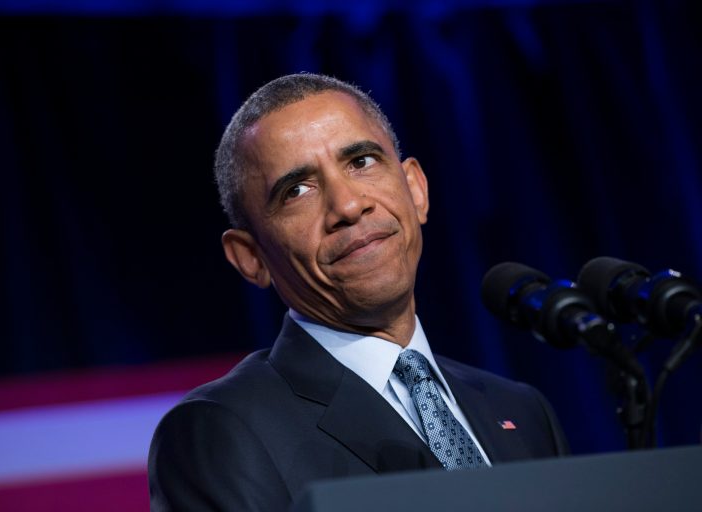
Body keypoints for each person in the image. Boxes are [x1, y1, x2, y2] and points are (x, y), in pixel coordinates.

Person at [148, 73, 569, 511]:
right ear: (250, 257)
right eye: (297, 190)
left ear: (416, 189)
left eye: (362, 161)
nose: (348, 206)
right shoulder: (221, 431)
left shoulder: (522, 410)